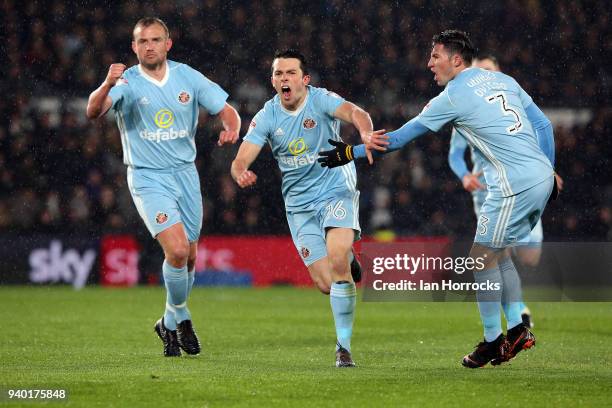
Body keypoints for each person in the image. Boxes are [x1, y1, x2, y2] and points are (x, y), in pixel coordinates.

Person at [319, 30, 557, 368]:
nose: (429, 63)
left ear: (456, 59)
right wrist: (550, 171)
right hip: (538, 178)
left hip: (512, 185)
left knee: (480, 259)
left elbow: (398, 139)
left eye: (435, 56)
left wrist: (349, 151)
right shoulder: (503, 80)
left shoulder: (452, 97)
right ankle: (516, 328)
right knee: (494, 254)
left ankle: (494, 341)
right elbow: (545, 126)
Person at [86, 17, 241, 357]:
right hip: (147, 176)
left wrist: (231, 128)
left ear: (168, 43)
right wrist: (106, 84)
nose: (150, 46)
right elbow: (93, 110)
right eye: (143, 41)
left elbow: (227, 110)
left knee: (190, 258)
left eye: (156, 39)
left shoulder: (187, 76)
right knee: (178, 251)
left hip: (185, 174)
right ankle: (182, 317)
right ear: (134, 46)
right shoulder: (126, 81)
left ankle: (167, 324)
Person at [231, 49, 385, 367]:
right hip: (299, 207)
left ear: (304, 79)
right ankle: (350, 260)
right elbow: (242, 156)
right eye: (278, 74)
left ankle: (343, 347)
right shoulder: (267, 116)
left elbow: (357, 113)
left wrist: (365, 133)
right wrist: (240, 171)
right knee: (327, 284)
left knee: (338, 256)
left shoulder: (321, 100)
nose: (284, 79)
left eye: (290, 73)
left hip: (335, 191)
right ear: (273, 81)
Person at [447, 53, 563, 328]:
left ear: (498, 73)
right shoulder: (465, 110)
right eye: (478, 71)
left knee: (529, 256)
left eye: (488, 70)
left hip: (520, 187)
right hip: (487, 191)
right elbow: (455, 155)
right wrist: (465, 176)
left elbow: (540, 133)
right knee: (498, 254)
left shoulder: (513, 104)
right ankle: (517, 314)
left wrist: (548, 170)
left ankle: (510, 315)